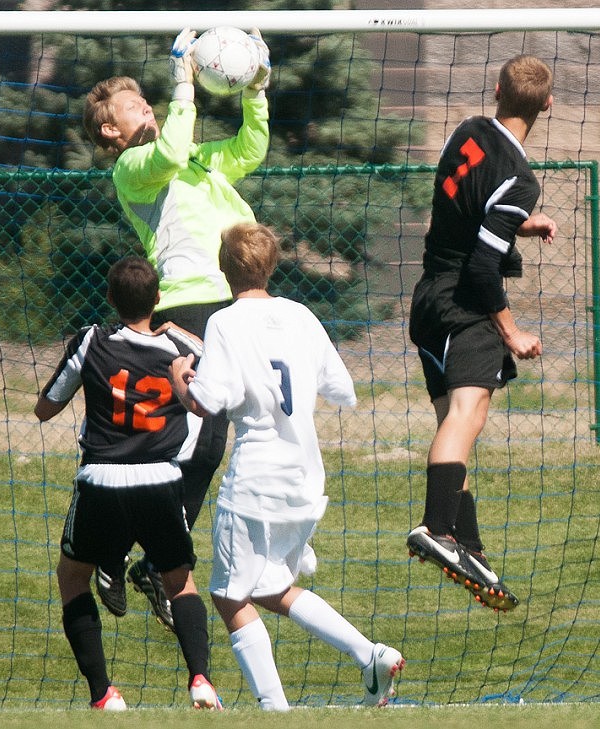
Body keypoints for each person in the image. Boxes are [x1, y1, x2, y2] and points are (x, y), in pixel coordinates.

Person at [168, 222, 405, 710]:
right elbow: (343, 390)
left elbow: (209, 401)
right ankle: (371, 654)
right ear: (272, 265)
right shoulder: (301, 315)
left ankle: (274, 710)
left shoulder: (225, 323)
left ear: (223, 268)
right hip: (304, 476)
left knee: (229, 597)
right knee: (273, 587)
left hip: (256, 478)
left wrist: (180, 380)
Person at [82, 27, 271, 623]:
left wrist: (256, 91)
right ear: (111, 130)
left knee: (208, 440)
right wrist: (184, 85)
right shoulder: (137, 167)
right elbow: (167, 151)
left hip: (228, 301)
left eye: (150, 100)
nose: (151, 108)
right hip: (188, 306)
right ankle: (135, 556)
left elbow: (248, 151)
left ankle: (138, 559)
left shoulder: (194, 161)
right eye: (135, 106)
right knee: (194, 436)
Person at [34, 256, 221, 711]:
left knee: (70, 576)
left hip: (101, 480)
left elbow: (45, 408)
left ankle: (104, 693)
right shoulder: (183, 345)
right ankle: (201, 680)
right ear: (158, 300)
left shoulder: (92, 340)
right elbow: (210, 396)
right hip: (161, 479)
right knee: (181, 583)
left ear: (110, 299)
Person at [406, 55, 558, 612]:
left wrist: (519, 220)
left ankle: (468, 548)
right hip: (463, 306)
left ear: (496, 90)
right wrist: (512, 332)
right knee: (467, 419)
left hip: (426, 298)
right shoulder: (521, 179)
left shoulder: (467, 130)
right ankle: (436, 529)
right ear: (547, 104)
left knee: (455, 428)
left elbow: (466, 205)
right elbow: (480, 269)